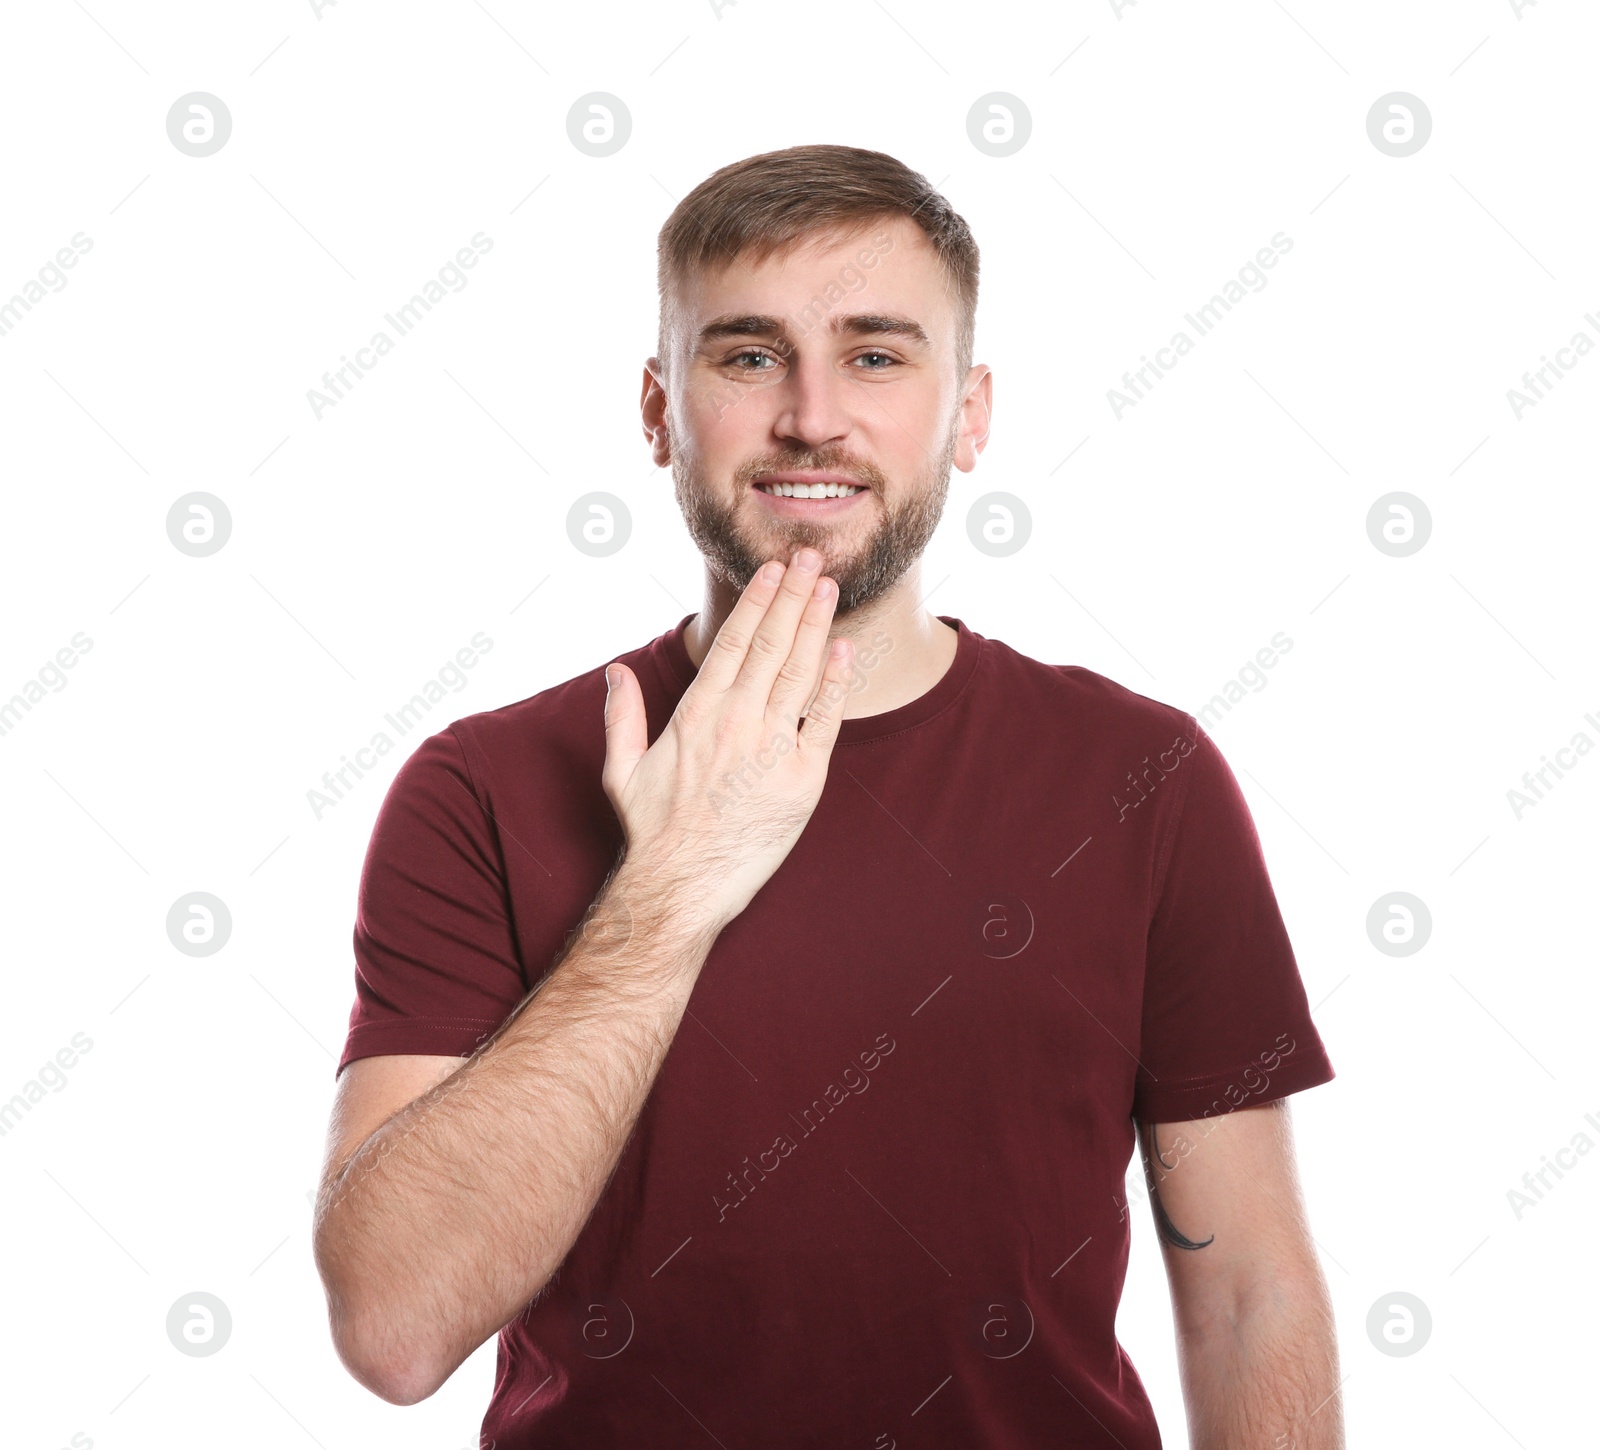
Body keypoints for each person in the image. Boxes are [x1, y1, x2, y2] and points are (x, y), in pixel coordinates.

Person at [313, 143, 1343, 1448]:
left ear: (969, 413)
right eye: (747, 355)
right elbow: (396, 1329)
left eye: (875, 354)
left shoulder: (1146, 778)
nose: (811, 414)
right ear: (656, 410)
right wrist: (672, 886)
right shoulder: (481, 787)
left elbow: (1249, 1295)